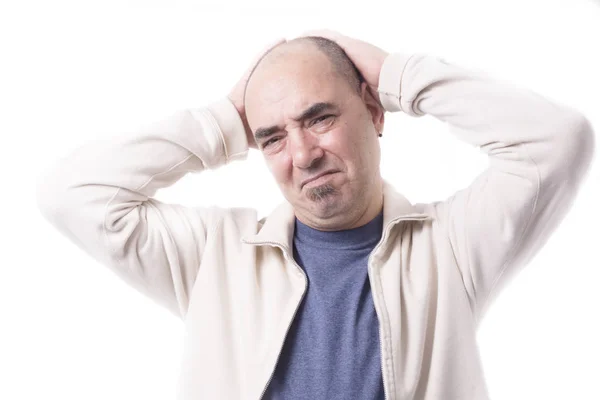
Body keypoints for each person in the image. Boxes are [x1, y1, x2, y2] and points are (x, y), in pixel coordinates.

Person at [35, 30, 595, 400]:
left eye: (320, 117)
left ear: (374, 110)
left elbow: (557, 140)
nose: (302, 154)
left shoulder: (450, 247)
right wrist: (223, 122)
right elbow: (70, 194)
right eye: (272, 137)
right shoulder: (212, 256)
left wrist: (398, 75)